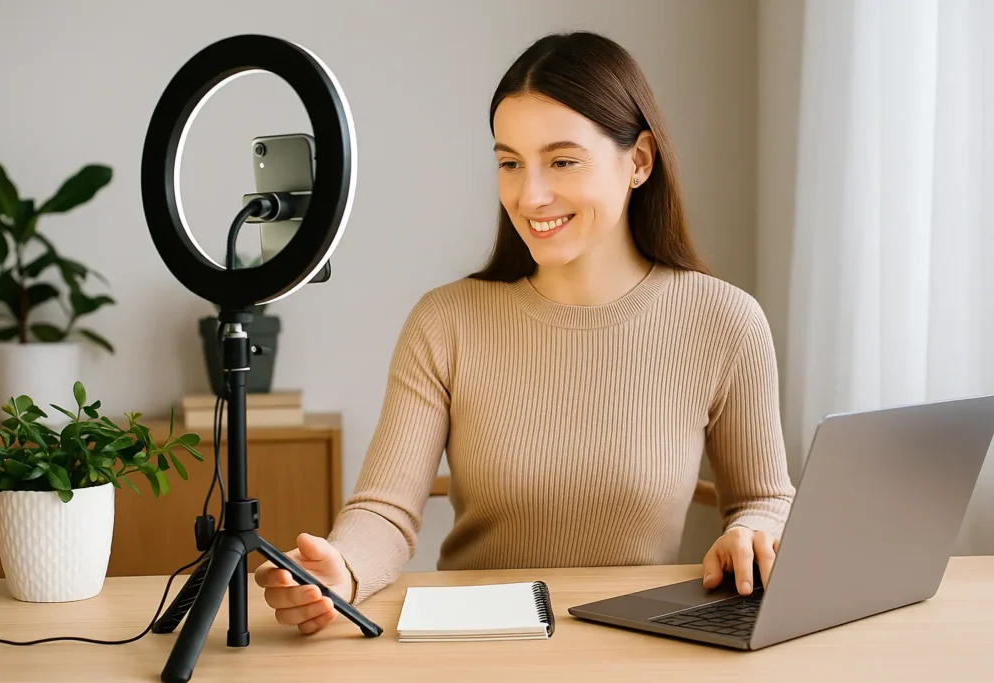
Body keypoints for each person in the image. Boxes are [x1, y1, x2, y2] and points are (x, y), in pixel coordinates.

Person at [254, 29, 797, 637]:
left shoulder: (726, 321)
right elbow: (385, 508)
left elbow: (765, 497)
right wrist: (342, 571)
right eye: (509, 162)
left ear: (639, 161)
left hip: (645, 645)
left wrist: (753, 534)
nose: (530, 195)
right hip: (475, 645)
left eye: (562, 161)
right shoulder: (444, 322)